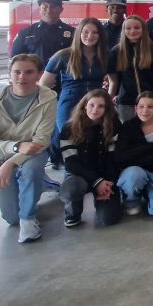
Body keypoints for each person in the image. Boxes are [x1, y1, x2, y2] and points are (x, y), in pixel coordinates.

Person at [0, 54, 58, 242]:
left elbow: (42, 140)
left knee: (30, 170)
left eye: (29, 72)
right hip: (0, 156)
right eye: (17, 72)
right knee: (12, 218)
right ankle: (43, 184)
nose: (22, 77)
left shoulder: (48, 98)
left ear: (38, 75)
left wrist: (11, 164)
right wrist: (15, 147)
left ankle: (29, 221)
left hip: (34, 154)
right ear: (10, 74)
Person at [41, 17, 109, 168]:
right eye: (85, 32)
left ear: (100, 35)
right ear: (78, 33)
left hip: (95, 103)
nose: (89, 36)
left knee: (94, 137)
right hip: (69, 100)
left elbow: (115, 79)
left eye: (94, 32)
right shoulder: (63, 55)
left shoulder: (106, 55)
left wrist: (110, 97)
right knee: (69, 137)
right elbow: (44, 84)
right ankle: (71, 172)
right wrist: (48, 106)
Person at [59, 89, 123, 228]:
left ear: (107, 109)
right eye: (92, 105)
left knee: (108, 219)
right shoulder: (69, 128)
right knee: (72, 189)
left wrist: (107, 184)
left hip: (104, 175)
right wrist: (96, 181)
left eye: (101, 106)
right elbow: (70, 163)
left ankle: (103, 200)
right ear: (85, 105)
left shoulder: (114, 126)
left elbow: (113, 158)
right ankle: (73, 212)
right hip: (79, 174)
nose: (95, 110)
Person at [113, 92, 153, 219]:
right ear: (135, 108)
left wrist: (134, 155)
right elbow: (119, 157)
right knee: (135, 175)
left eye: (150, 106)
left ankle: (149, 192)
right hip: (134, 171)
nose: (145, 111)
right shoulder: (127, 126)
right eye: (141, 106)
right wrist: (150, 148)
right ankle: (131, 199)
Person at [107, 15, 153, 121]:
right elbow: (115, 78)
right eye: (128, 28)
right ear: (123, 30)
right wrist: (115, 95)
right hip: (127, 102)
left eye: (137, 28)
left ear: (143, 29)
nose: (133, 31)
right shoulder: (116, 51)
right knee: (129, 134)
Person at [10, 0, 74, 65]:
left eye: (53, 7)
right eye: (45, 7)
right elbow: (15, 60)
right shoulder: (25, 33)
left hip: (62, 75)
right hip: (36, 75)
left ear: (61, 10)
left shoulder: (73, 33)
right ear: (39, 9)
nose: (49, 10)